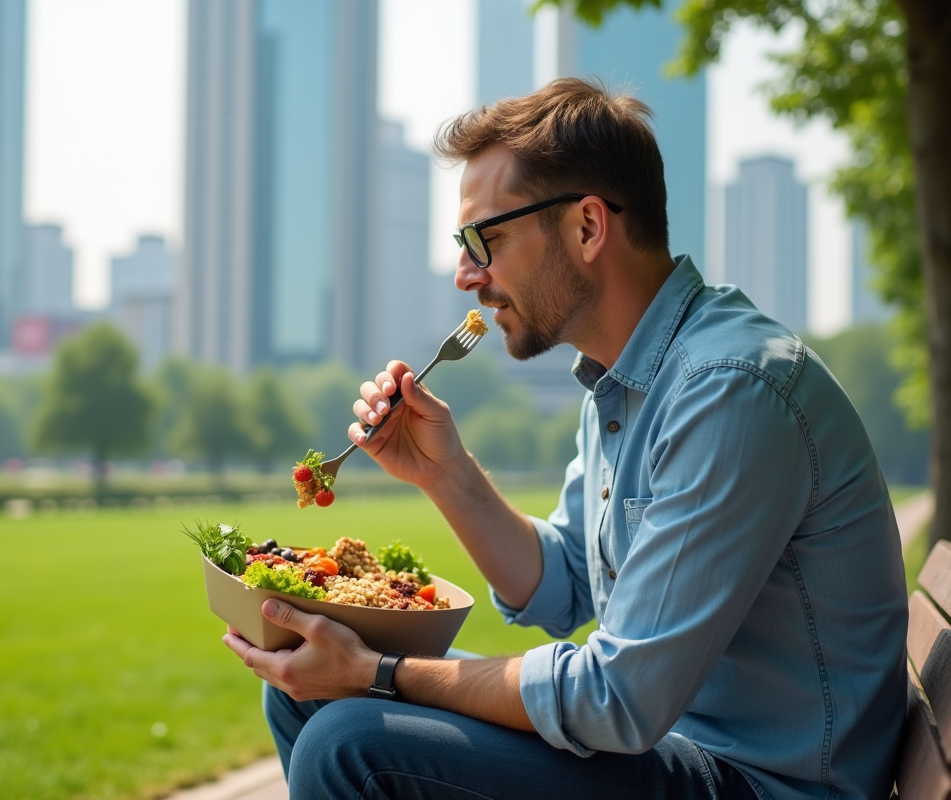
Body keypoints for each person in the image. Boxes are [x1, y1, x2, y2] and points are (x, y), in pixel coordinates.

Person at [223, 78, 908, 800]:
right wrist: (444, 472)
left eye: (484, 239)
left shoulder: (728, 389)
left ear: (586, 227)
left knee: (348, 740)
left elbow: (616, 698)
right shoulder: (627, 381)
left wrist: (378, 672)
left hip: (765, 784)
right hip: (678, 751)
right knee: (304, 694)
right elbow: (561, 589)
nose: (465, 275)